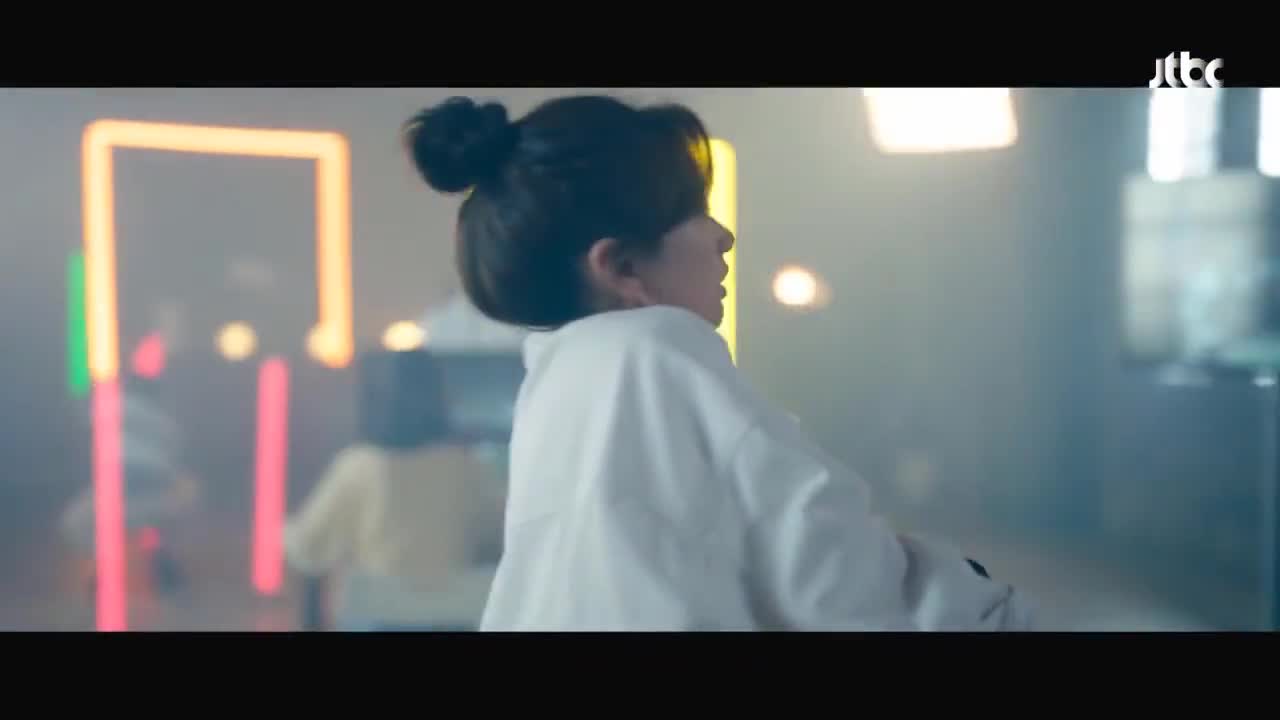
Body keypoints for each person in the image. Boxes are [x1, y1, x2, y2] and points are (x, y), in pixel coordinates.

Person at [402, 94, 1036, 631]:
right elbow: (831, 571)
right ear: (621, 266)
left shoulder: (557, 379)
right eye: (694, 213)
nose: (722, 236)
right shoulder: (656, 351)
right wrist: (977, 599)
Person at [283, 350, 503, 631]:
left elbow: (307, 547)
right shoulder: (466, 465)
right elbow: (497, 539)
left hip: (375, 617)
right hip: (453, 618)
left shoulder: (359, 465)